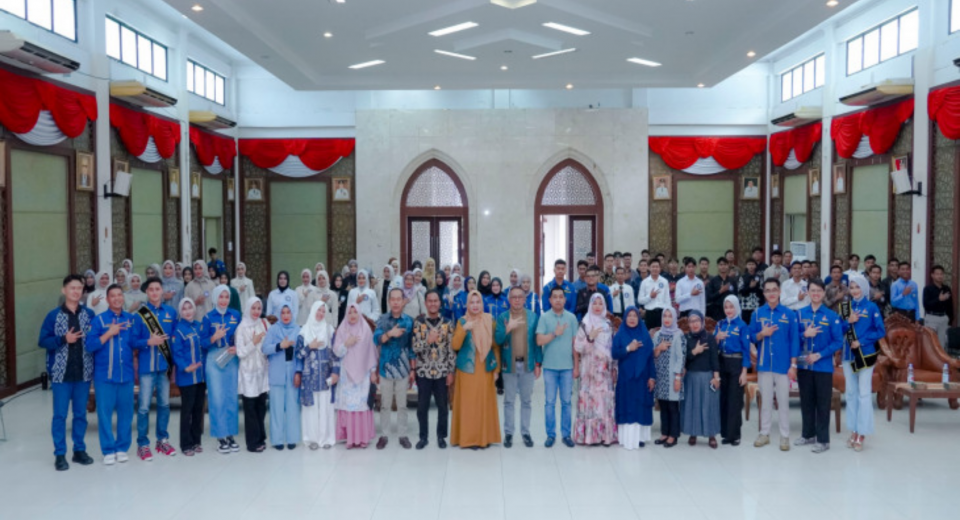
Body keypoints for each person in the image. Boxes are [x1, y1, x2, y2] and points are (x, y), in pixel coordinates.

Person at [38, 274, 96, 471]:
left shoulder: (89, 314)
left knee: (80, 414)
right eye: (72, 288)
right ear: (64, 290)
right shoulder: (53, 316)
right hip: (60, 374)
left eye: (79, 288)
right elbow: (43, 341)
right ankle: (60, 454)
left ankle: (79, 450)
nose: (76, 291)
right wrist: (63, 339)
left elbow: (95, 340)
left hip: (83, 373)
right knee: (60, 416)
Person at [86, 284, 138, 465]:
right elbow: (90, 346)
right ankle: (108, 449)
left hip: (126, 375)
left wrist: (149, 341)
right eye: (113, 296)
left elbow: (136, 342)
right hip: (104, 376)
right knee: (104, 414)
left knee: (126, 413)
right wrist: (109, 333)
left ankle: (122, 448)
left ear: (123, 298)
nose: (117, 298)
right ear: (107, 299)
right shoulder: (98, 320)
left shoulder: (131, 319)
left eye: (119, 295)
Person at [749, 278, 799, 451]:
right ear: (764, 293)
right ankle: (764, 433)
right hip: (764, 365)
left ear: (779, 292)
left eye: (774, 290)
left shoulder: (789, 314)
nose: (771, 293)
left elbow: (794, 341)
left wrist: (793, 366)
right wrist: (762, 334)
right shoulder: (757, 314)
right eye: (768, 290)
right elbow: (751, 337)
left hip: (783, 366)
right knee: (766, 402)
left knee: (783, 402)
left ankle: (785, 436)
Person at [131, 277, 178, 461]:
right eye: (151, 289)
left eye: (158, 289)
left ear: (162, 291)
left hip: (164, 367)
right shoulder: (139, 315)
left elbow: (174, 338)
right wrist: (148, 342)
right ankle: (142, 444)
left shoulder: (171, 312)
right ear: (147, 292)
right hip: (146, 368)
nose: (155, 292)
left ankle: (162, 440)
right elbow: (133, 341)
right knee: (143, 407)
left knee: (164, 405)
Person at [794, 280, 843, 453]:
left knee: (823, 403)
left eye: (819, 291)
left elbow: (838, 341)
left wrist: (819, 355)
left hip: (823, 366)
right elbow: (793, 338)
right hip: (804, 365)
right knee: (806, 401)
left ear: (823, 293)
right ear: (807, 292)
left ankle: (823, 440)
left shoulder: (831, 316)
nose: (815, 294)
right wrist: (804, 334)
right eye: (812, 290)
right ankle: (808, 435)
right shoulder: (799, 314)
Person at [450, 290, 502, 449]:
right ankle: (469, 439)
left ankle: (484, 438)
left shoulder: (489, 320)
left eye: (478, 302)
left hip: (485, 368)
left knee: (483, 403)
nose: (475, 305)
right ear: (467, 304)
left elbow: (495, 346)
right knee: (469, 405)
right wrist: (464, 328)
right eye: (472, 302)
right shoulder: (462, 321)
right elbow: (455, 345)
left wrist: (497, 370)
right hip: (467, 369)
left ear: (482, 303)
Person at [842, 274, 886, 452]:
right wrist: (848, 321)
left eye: (857, 287)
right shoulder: (845, 307)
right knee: (850, 394)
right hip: (848, 356)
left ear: (864, 288)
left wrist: (862, 341)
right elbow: (838, 329)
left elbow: (880, 331)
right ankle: (853, 429)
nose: (854, 291)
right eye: (852, 287)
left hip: (865, 355)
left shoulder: (871, 307)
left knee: (864, 393)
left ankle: (862, 432)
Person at [495, 286, 541, 448]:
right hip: (509, 365)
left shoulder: (533, 317)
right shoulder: (503, 317)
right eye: (513, 297)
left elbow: (537, 343)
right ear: (509, 300)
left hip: (527, 364)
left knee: (526, 401)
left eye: (519, 297)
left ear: (524, 299)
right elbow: (498, 340)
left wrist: (538, 363)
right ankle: (508, 433)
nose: (516, 300)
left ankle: (525, 432)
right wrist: (508, 328)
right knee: (509, 401)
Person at [536, 286, 580, 448]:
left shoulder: (571, 318)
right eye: (555, 297)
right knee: (549, 402)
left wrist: (576, 366)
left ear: (565, 299)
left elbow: (575, 345)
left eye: (561, 297)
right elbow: (539, 341)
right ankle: (550, 435)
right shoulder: (544, 317)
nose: (558, 300)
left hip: (567, 367)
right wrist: (555, 333)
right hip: (550, 367)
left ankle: (566, 434)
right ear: (550, 300)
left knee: (567, 402)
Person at [412, 290, 455, 449]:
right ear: (425, 303)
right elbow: (415, 348)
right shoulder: (419, 323)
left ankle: (441, 436)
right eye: (429, 301)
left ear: (440, 303)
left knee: (443, 407)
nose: (433, 303)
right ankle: (423, 437)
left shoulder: (447, 323)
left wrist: (450, 371)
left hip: (442, 372)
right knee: (422, 407)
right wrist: (428, 341)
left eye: (435, 301)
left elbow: (451, 349)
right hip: (423, 371)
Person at [373, 288, 415, 450]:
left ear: (403, 301)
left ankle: (402, 435)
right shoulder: (382, 319)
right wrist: (389, 333)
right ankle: (384, 435)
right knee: (385, 405)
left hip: (403, 369)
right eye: (393, 299)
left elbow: (412, 348)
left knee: (402, 405)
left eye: (399, 299)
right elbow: (376, 339)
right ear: (389, 301)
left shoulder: (409, 321)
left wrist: (413, 369)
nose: (396, 302)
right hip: (386, 369)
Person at [572, 294, 617, 445]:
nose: (597, 306)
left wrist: (614, 367)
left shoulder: (608, 325)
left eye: (600, 303)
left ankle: (605, 436)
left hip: (604, 371)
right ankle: (590, 437)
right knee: (591, 401)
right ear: (590, 305)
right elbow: (578, 347)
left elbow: (612, 348)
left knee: (603, 401)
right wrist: (590, 338)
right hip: (589, 371)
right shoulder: (585, 324)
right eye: (595, 303)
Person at [203, 285, 242, 454]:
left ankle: (231, 435)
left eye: (226, 297)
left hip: (231, 358)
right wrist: (213, 337)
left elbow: (241, 335)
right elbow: (202, 342)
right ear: (215, 298)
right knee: (217, 398)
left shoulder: (235, 315)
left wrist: (238, 347)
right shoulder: (208, 317)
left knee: (231, 397)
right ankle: (220, 436)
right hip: (214, 359)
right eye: (221, 296)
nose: (224, 300)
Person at [334, 304, 378, 449]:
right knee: (349, 405)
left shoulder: (366, 330)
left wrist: (373, 372)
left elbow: (371, 352)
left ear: (359, 313)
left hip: (363, 374)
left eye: (355, 312)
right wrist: (346, 344)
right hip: (346, 374)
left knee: (361, 405)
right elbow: (337, 352)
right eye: (350, 312)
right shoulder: (342, 329)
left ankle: (363, 438)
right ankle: (350, 438)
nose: (352, 315)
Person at [297, 301, 339, 450]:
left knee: (326, 408)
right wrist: (310, 347)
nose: (321, 313)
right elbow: (298, 355)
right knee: (311, 410)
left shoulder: (329, 330)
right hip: (309, 377)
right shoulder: (304, 331)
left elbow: (335, 353)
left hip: (326, 376)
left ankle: (326, 438)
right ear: (313, 311)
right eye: (318, 310)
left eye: (323, 311)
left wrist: (336, 372)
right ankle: (312, 439)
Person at [611, 307, 655, 449]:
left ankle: (640, 437)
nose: (632, 318)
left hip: (642, 378)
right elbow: (614, 353)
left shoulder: (645, 335)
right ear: (625, 318)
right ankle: (627, 438)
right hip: (626, 377)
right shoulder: (620, 334)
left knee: (640, 406)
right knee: (628, 405)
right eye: (629, 315)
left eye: (635, 316)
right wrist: (628, 348)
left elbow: (650, 358)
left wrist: (652, 377)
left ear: (639, 318)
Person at [261, 305, 302, 450]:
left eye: (288, 312)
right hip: (277, 370)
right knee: (276, 407)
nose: (285, 315)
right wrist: (279, 345)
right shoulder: (273, 329)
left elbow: (300, 353)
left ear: (292, 314)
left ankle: (292, 438)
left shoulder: (298, 330)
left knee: (293, 406)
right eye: (283, 313)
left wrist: (298, 372)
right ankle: (277, 439)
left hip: (292, 370)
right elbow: (264, 348)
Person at [714, 294, 751, 446]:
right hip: (722, 362)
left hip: (736, 363)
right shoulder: (720, 324)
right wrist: (717, 338)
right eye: (726, 307)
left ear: (736, 307)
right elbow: (713, 346)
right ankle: (726, 434)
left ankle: (735, 435)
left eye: (731, 307)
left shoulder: (742, 326)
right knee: (723, 399)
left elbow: (746, 350)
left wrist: (744, 372)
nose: (728, 310)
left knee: (734, 400)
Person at [171, 298, 206, 456]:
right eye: (184, 309)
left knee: (198, 409)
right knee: (187, 410)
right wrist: (186, 367)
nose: (187, 311)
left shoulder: (199, 326)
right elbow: (176, 353)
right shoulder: (178, 330)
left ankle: (196, 441)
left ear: (194, 309)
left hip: (201, 377)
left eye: (189, 308)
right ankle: (185, 444)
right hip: (186, 377)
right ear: (180, 311)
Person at [681, 310, 721, 448]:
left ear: (702, 322)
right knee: (692, 406)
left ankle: (711, 435)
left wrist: (717, 378)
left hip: (707, 377)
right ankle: (693, 433)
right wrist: (694, 351)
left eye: (697, 320)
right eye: (692, 321)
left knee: (709, 406)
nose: (695, 324)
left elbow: (715, 359)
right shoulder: (685, 338)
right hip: (691, 378)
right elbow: (683, 359)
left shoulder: (709, 337)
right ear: (688, 324)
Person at [236, 297, 270, 452]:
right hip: (248, 374)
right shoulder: (241, 327)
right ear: (248, 308)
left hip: (262, 372)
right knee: (250, 408)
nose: (256, 311)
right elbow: (240, 352)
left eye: (259, 308)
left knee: (261, 406)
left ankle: (261, 438)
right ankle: (252, 443)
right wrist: (253, 342)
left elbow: (267, 346)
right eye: (253, 308)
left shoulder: (263, 324)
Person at [652, 308, 686, 448]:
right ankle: (665, 433)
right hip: (660, 376)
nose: (667, 319)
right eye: (664, 316)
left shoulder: (678, 335)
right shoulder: (658, 334)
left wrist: (678, 377)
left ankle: (673, 435)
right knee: (663, 405)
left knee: (672, 406)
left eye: (670, 316)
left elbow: (681, 358)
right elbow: (653, 355)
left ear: (674, 318)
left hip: (673, 376)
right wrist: (659, 348)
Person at [923, 265, 954, 348]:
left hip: (943, 318)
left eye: (941, 274)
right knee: (929, 343)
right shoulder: (928, 289)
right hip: (931, 317)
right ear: (932, 275)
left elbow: (950, 306)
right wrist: (939, 299)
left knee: (942, 344)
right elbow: (926, 305)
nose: (940, 276)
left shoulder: (946, 289)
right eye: (937, 274)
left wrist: (950, 320)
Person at [638, 259, 671, 330]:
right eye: (653, 267)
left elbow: (667, 299)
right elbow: (640, 300)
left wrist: (668, 313)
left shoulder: (664, 281)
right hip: (649, 313)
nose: (655, 269)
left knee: (662, 333)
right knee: (650, 334)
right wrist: (650, 297)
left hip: (662, 313)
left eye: (657, 267)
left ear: (660, 268)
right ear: (649, 268)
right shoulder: (644, 282)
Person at [706, 257, 737, 321]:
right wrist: (720, 291)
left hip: (730, 310)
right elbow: (709, 298)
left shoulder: (732, 280)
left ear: (728, 266)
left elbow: (736, 295)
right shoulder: (713, 281)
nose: (723, 267)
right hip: (717, 311)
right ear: (718, 266)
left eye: (725, 264)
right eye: (721, 265)